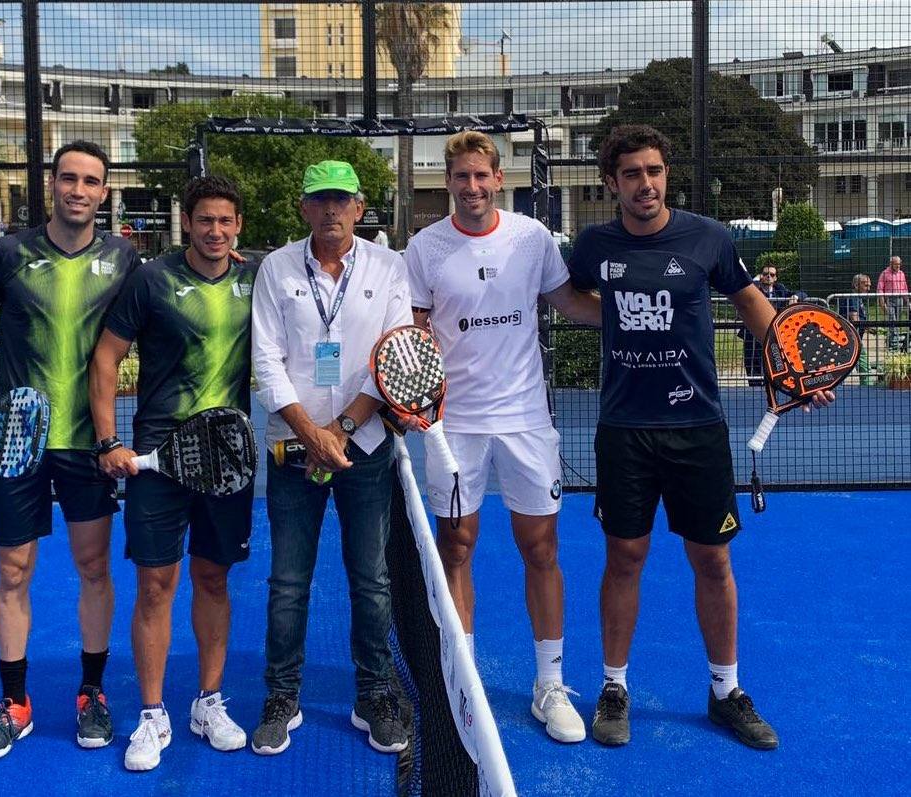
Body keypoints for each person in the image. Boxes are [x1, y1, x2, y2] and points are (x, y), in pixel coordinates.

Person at [566, 124, 834, 751]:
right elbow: (569, 295)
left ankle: (724, 691)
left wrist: (795, 369)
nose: (646, 184)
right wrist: (606, 314)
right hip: (624, 430)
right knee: (625, 557)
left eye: (654, 171)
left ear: (666, 176)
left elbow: (751, 305)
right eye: (632, 174)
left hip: (698, 429)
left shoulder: (708, 238)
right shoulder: (592, 245)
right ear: (612, 184)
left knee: (712, 560)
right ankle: (613, 687)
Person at [0, 141, 142, 761]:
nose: (79, 190)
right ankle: (16, 704)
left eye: (91, 181)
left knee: (93, 568)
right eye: (68, 179)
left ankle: (91, 695)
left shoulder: (125, 258)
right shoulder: (7, 253)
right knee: (12, 571)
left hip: (89, 446)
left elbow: (165, 300)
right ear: (52, 185)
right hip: (15, 441)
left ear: (103, 193)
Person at [404, 131, 602, 744]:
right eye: (460, 178)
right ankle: (462, 680)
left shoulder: (532, 238)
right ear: (449, 183)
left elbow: (569, 301)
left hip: (525, 421)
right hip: (454, 425)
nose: (471, 188)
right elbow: (414, 330)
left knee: (540, 547)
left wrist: (643, 310)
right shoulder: (425, 248)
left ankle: (548, 685)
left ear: (499, 178)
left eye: (480, 177)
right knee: (456, 547)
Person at [88, 175, 254, 770]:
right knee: (156, 585)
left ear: (239, 227)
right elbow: (106, 357)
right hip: (157, 459)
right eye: (205, 220)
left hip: (228, 460)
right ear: (188, 222)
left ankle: (208, 702)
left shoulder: (253, 277)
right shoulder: (151, 280)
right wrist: (108, 440)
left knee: (214, 580)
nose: (215, 231)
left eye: (226, 221)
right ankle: (153, 714)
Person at [250, 160, 413, 755]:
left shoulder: (389, 267)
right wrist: (310, 434)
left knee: (370, 580)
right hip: (291, 448)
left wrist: (340, 431)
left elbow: (392, 360)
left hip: (363, 449)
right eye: (319, 200)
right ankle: (281, 696)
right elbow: (265, 361)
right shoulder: (275, 268)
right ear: (303, 208)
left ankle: (374, 695)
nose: (330, 211)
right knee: (288, 582)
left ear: (360, 207)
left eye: (341, 200)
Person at [737, 265, 790, 385]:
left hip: (773, 335)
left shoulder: (780, 290)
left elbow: (802, 293)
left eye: (772, 275)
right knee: (752, 366)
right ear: (761, 276)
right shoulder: (754, 288)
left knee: (773, 365)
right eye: (766, 274)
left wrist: (795, 296)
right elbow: (744, 284)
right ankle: (754, 387)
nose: (768, 277)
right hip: (752, 335)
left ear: (775, 278)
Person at [838, 274, 873, 384]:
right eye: (865, 285)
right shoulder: (852, 297)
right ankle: (867, 386)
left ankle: (839, 384)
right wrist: (868, 326)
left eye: (869, 286)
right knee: (863, 365)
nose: (868, 288)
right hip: (851, 338)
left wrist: (868, 327)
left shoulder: (858, 298)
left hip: (852, 338)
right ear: (856, 285)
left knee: (844, 364)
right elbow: (854, 317)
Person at [877, 256, 908, 351]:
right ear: (891, 264)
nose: (898, 266)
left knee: (897, 321)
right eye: (896, 264)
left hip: (899, 299)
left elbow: (904, 288)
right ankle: (894, 342)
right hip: (889, 299)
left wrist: (908, 301)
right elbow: (880, 288)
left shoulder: (901, 274)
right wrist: (882, 302)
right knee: (892, 319)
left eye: (899, 264)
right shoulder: (884, 273)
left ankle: (891, 342)